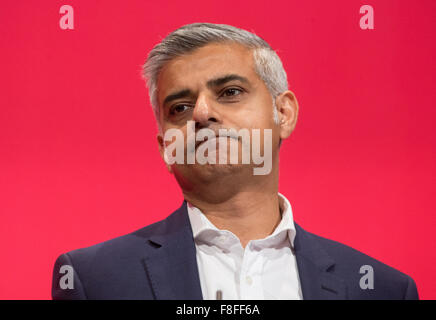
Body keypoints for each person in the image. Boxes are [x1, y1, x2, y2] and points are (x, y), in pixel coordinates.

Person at [52, 23, 419, 300]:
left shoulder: (378, 287)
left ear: (284, 113)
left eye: (229, 92)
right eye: (179, 107)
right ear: (166, 146)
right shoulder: (95, 278)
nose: (201, 113)